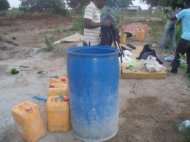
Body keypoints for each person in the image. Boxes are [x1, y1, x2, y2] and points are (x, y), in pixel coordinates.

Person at [169, 0, 190, 75]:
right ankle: (188, 72)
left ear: (186, 3)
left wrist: (169, 16)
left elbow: (172, 18)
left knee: (178, 54)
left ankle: (174, 70)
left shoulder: (184, 11)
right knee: (189, 55)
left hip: (185, 38)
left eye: (184, 3)